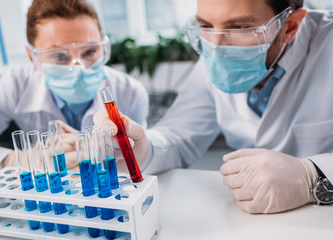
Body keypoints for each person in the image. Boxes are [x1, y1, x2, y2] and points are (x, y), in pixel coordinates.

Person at [94, 0, 333, 214]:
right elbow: (179, 135)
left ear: (290, 26)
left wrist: (313, 175)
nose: (216, 47)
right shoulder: (214, 56)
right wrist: (144, 149)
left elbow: (314, 176)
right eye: (206, 26)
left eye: (238, 27)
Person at [0, 0, 149, 182]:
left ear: (103, 48)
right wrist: (14, 161)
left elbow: (138, 162)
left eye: (89, 52)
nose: (78, 67)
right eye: (59, 55)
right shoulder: (16, 84)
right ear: (33, 58)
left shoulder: (130, 92)